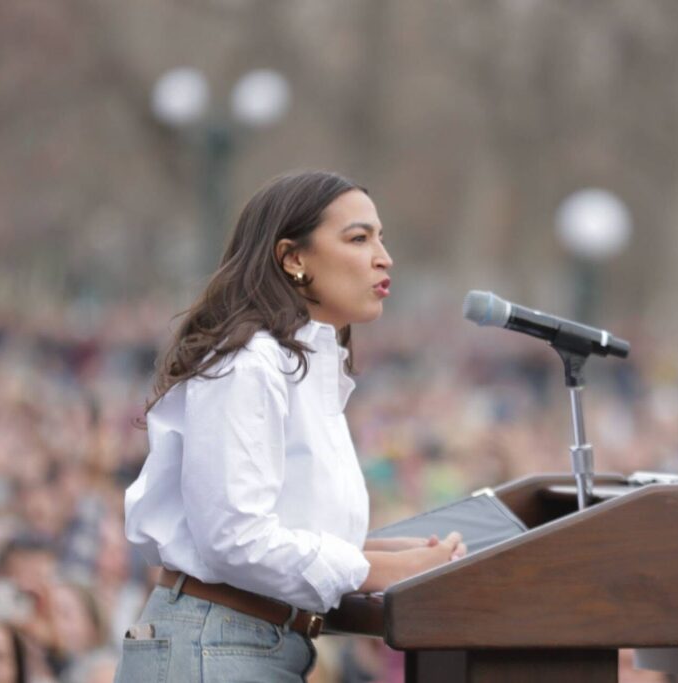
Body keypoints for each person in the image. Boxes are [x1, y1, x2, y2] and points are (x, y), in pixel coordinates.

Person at [115, 171, 466, 682]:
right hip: (216, 644)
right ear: (293, 258)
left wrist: (401, 555)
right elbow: (234, 538)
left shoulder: (300, 364)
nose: (384, 257)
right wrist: (384, 570)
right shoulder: (249, 364)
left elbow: (287, 530)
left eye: (381, 238)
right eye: (359, 238)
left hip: (247, 644)